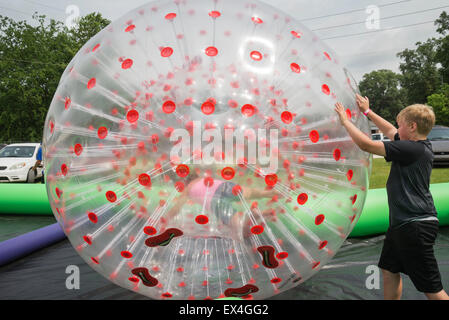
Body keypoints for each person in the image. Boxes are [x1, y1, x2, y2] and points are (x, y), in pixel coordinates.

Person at [334, 94, 448, 300]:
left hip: (415, 226)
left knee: (431, 288)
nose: (397, 129)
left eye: (401, 125)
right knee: (389, 270)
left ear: (412, 126)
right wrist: (367, 112)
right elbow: (389, 130)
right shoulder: (417, 147)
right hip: (402, 225)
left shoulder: (411, 149)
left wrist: (345, 121)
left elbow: (367, 145)